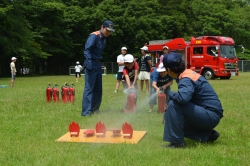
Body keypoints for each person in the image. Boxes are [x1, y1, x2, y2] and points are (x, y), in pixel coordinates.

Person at [162, 52, 223, 148]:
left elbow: (182, 99)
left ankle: (177, 143)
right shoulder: (187, 74)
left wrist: (170, 94)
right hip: (210, 114)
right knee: (173, 119)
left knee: (174, 104)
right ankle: (206, 136)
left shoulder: (186, 79)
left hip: (210, 115)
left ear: (168, 70)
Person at [81, 20, 115, 116]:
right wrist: (89, 64)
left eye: (110, 31)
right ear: (102, 27)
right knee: (89, 88)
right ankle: (86, 112)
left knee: (98, 89)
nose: (109, 33)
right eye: (107, 30)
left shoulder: (104, 38)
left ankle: (95, 110)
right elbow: (87, 50)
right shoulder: (94, 36)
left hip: (98, 64)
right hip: (91, 62)